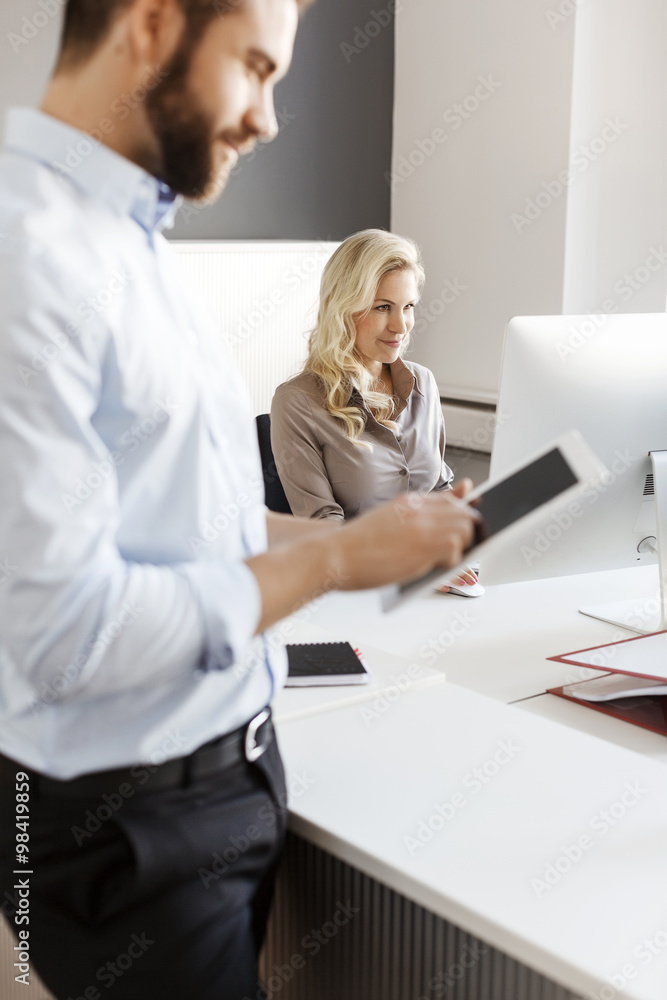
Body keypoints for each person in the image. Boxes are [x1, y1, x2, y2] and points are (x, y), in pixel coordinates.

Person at [0, 2, 477, 998]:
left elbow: (187, 522)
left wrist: (370, 541)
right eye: (255, 68)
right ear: (151, 24)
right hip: (129, 827)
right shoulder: (26, 254)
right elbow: (63, 632)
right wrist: (333, 559)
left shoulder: (134, 238)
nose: (266, 119)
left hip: (225, 778)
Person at [270, 228, 477, 589]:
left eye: (408, 307)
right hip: (356, 589)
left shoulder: (423, 383)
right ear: (344, 309)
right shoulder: (297, 401)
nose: (400, 326)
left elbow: (439, 488)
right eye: (382, 307)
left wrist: (464, 546)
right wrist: (408, 564)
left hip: (430, 583)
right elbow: (321, 526)